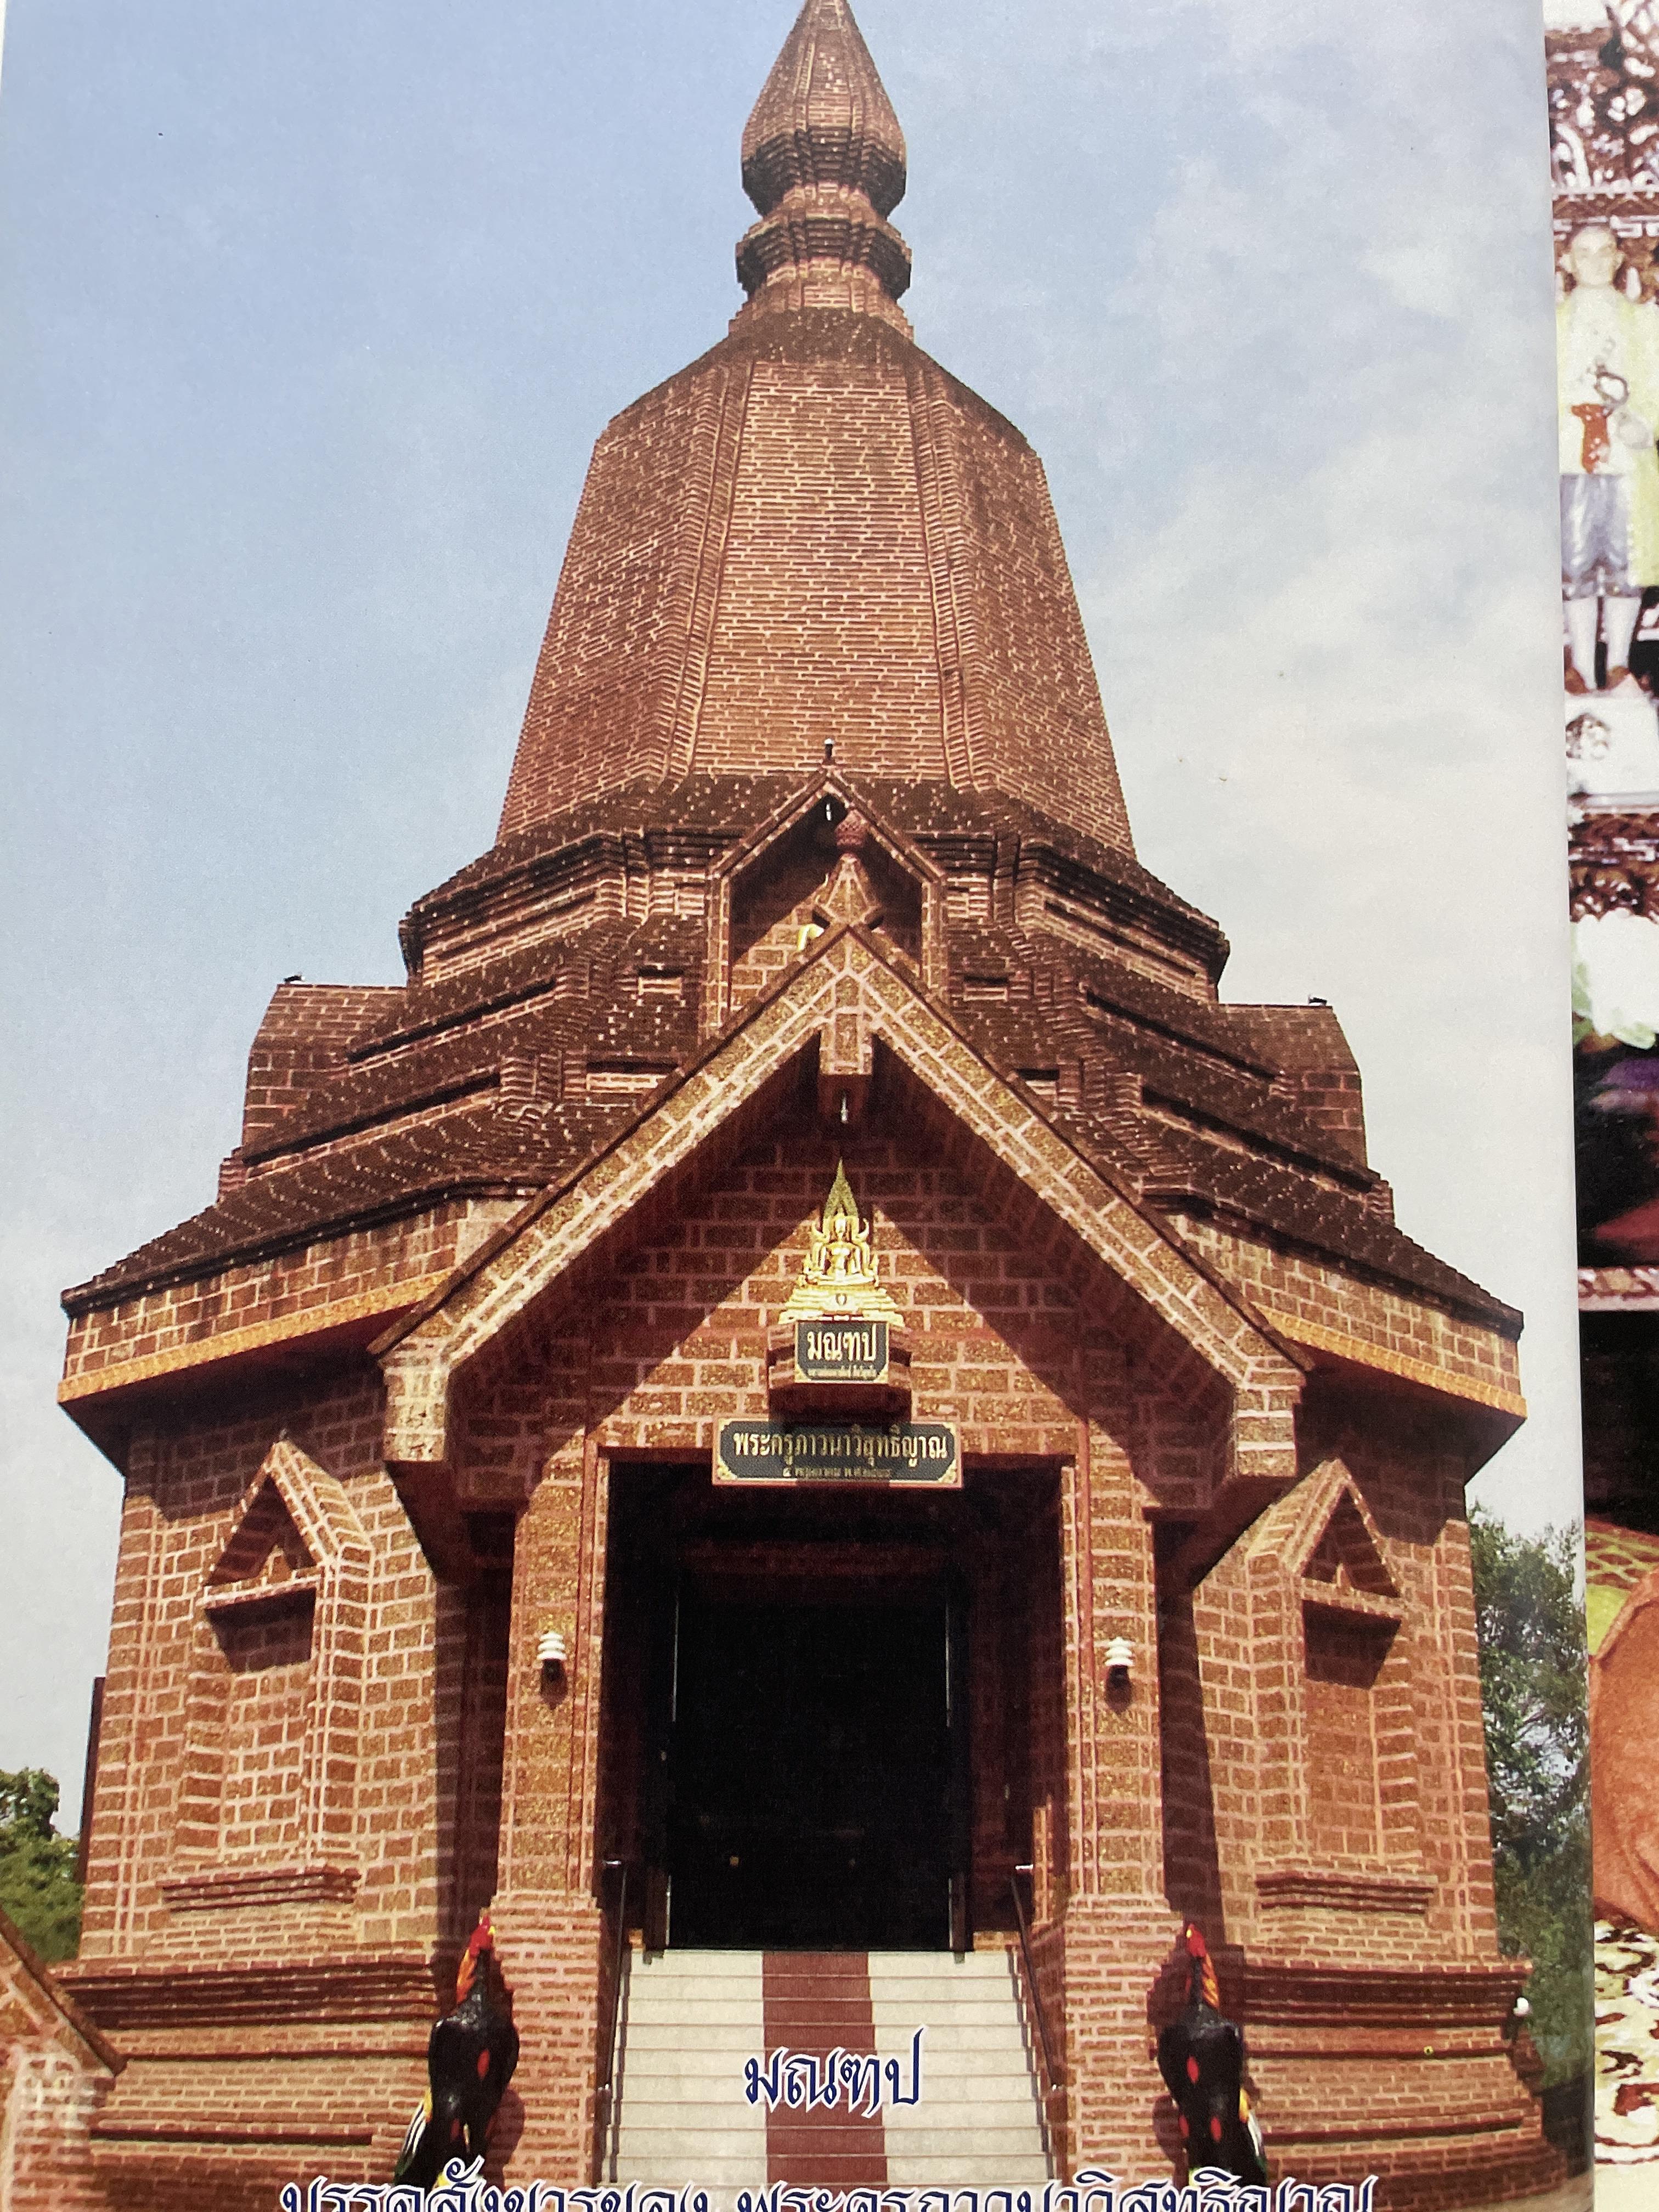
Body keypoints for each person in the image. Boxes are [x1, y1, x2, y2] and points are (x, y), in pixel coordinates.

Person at [1558, 223, 1659, 692]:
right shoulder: (1552, 323)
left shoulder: (1644, 322)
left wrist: (1644, 425)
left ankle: (1618, 663)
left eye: (1605, 252)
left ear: (1619, 259)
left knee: (1626, 558)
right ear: (1568, 262)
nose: (1596, 261)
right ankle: (1579, 664)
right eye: (1584, 252)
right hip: (1568, 456)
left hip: (1623, 457)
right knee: (1573, 560)